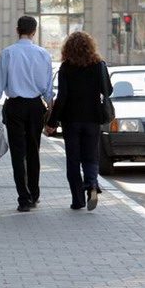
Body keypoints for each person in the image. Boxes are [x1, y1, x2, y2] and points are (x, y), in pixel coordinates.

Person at [0, 16, 53, 212]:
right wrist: (50, 114)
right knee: (33, 150)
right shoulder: (43, 54)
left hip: (14, 107)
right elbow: (48, 89)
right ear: (34, 31)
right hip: (35, 107)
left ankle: (23, 199)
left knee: (18, 153)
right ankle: (34, 193)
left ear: (17, 30)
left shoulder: (7, 53)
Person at [46, 31, 112, 211]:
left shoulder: (66, 68)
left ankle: (78, 200)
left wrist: (52, 122)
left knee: (73, 160)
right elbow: (108, 90)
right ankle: (91, 184)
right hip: (93, 119)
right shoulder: (98, 65)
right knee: (90, 156)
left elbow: (62, 97)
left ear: (68, 49)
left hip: (71, 120)